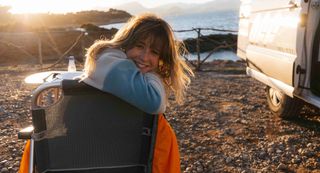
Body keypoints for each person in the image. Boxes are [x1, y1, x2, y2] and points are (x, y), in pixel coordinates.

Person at [19, 13, 194, 173]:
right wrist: (154, 73)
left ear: (161, 59)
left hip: (75, 161)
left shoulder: (112, 69)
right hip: (125, 163)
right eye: (139, 46)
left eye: (154, 52)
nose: (144, 57)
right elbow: (155, 102)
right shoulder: (107, 61)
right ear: (126, 43)